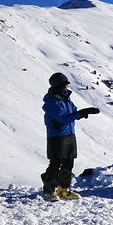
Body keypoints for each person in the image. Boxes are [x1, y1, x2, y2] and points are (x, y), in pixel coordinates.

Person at [41, 72, 99, 201]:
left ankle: (63, 190)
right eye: (65, 84)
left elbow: (72, 112)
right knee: (55, 164)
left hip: (69, 134)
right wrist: (80, 113)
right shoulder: (52, 101)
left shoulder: (66, 98)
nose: (67, 86)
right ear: (59, 86)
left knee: (69, 162)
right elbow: (62, 118)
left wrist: (82, 112)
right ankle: (48, 191)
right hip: (56, 136)